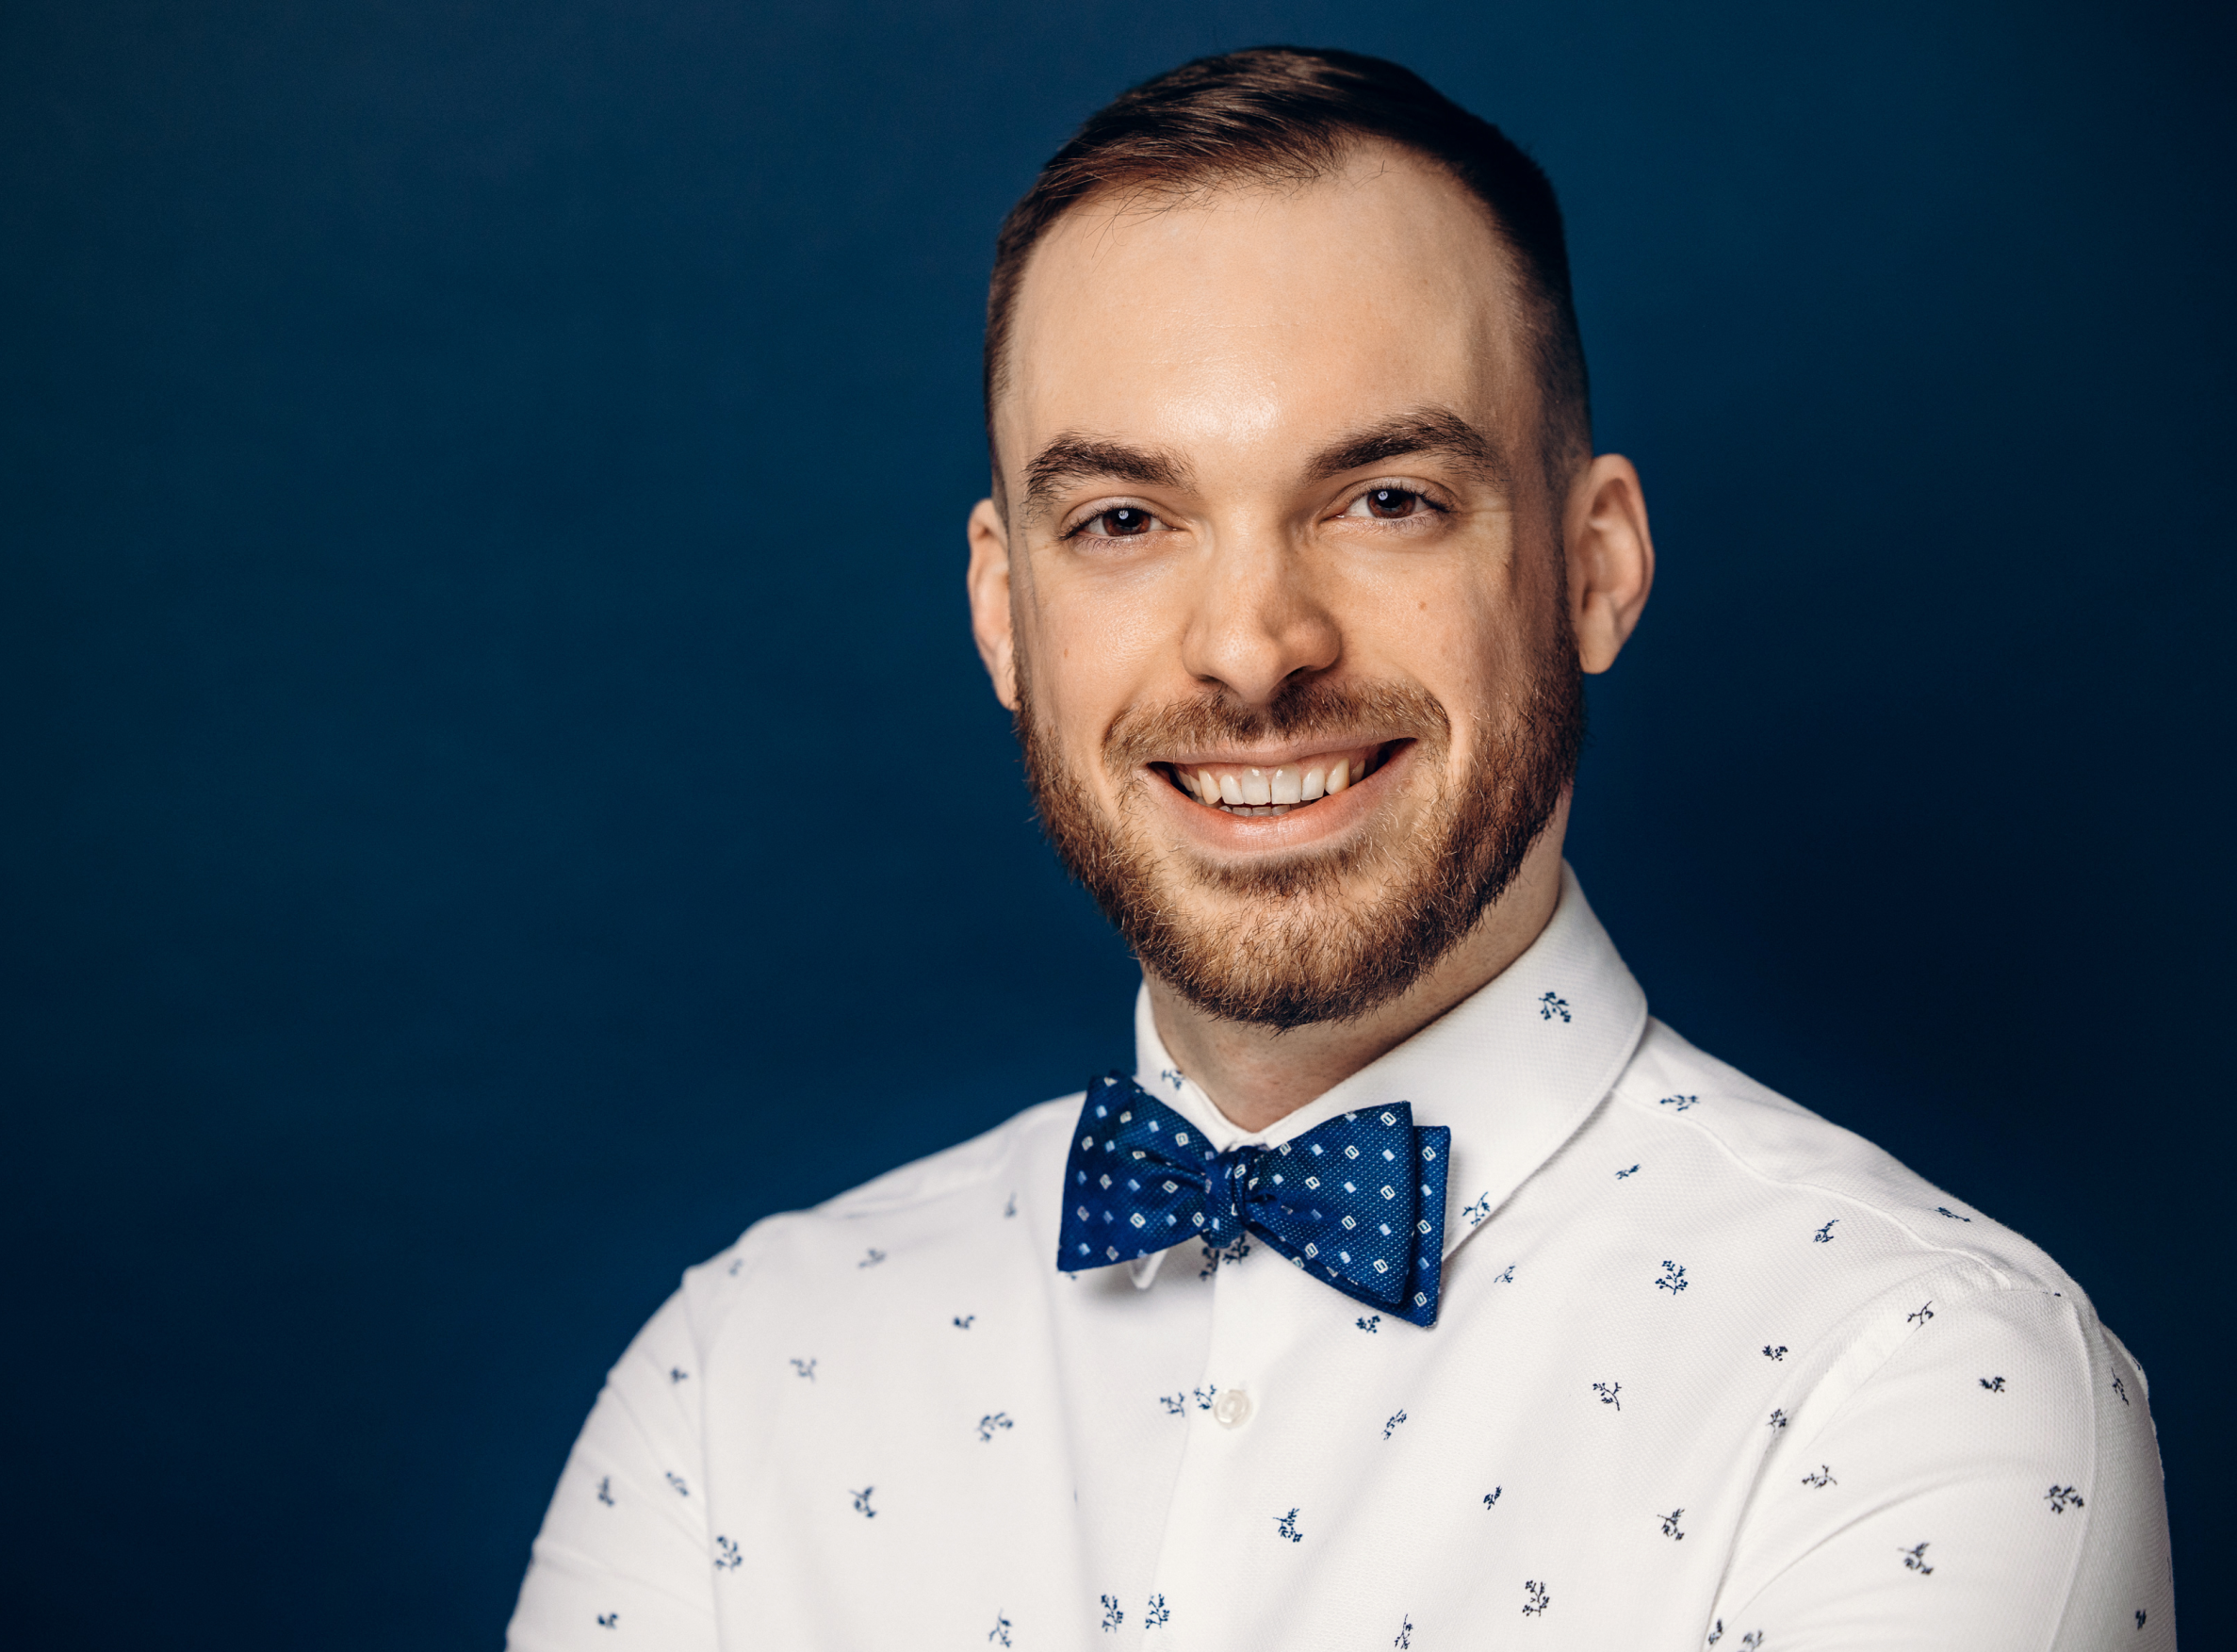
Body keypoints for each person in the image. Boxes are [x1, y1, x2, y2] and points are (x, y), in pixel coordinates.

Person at [505, 46, 2169, 1651]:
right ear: (1005, 613)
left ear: (1594, 569)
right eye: (1125, 523)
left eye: (1387, 499)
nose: (1250, 648)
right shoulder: (735, 1383)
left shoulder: (1928, 1380)